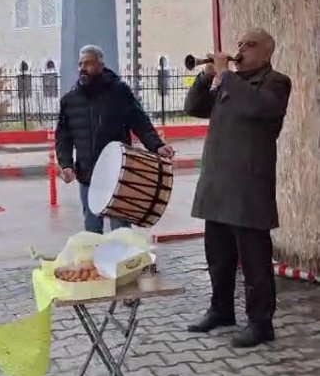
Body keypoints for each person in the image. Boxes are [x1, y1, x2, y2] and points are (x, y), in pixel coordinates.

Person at [184, 28, 291, 348]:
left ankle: (261, 324)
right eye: (240, 43)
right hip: (218, 184)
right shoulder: (228, 82)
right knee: (218, 257)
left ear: (267, 53)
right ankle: (221, 310)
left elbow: (259, 108)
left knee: (255, 262)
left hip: (248, 188)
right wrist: (206, 78)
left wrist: (225, 76)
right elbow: (193, 107)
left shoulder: (275, 83)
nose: (241, 48)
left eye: (250, 44)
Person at [56, 45, 174, 233]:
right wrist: (66, 165)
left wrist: (156, 145)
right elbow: (63, 136)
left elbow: (139, 120)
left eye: (88, 63)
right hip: (87, 176)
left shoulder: (119, 92)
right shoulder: (70, 100)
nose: (82, 68)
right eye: (80, 64)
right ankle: (97, 262)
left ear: (100, 65)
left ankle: (120, 261)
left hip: (117, 176)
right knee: (92, 231)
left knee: (121, 231)